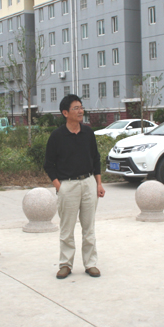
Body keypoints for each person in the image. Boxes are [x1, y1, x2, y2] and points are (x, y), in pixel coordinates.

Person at [44, 94, 106, 279]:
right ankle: (65, 264)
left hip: (88, 183)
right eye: (76, 108)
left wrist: (98, 183)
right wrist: (59, 186)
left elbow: (96, 159)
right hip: (67, 186)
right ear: (65, 113)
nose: (80, 111)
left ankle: (90, 264)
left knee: (89, 228)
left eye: (81, 107)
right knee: (67, 229)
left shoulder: (88, 133)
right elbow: (48, 164)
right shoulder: (57, 136)